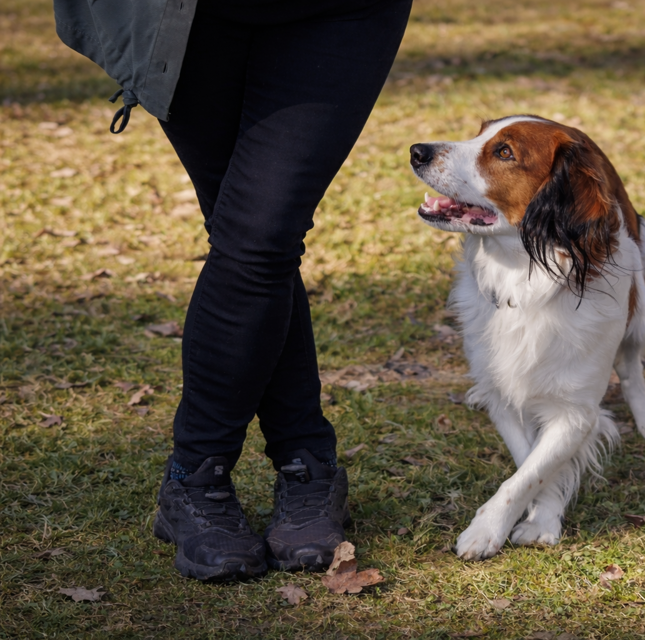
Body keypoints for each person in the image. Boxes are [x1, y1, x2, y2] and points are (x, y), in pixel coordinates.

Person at [54, 0, 412, 581]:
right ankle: (304, 464)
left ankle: (198, 474)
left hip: (342, 11)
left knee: (260, 234)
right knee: (250, 238)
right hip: (185, 16)